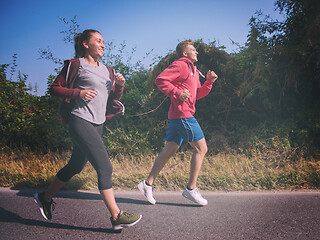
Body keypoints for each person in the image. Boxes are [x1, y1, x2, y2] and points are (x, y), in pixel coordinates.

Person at [34, 29, 141, 230]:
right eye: (98, 41)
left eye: (103, 42)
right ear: (85, 43)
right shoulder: (75, 65)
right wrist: (79, 93)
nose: (103, 44)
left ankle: (45, 197)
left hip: (98, 122)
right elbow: (54, 88)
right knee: (105, 167)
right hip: (80, 120)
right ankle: (116, 216)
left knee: (76, 166)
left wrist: (119, 85)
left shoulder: (107, 70)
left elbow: (113, 98)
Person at [138, 40, 218, 206]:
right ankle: (190, 189)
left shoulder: (193, 71)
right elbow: (160, 80)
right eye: (192, 49)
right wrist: (176, 92)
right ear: (184, 53)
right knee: (201, 148)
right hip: (183, 115)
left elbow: (197, 94)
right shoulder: (181, 65)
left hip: (178, 115)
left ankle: (147, 184)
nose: (196, 51)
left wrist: (209, 82)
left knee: (170, 149)